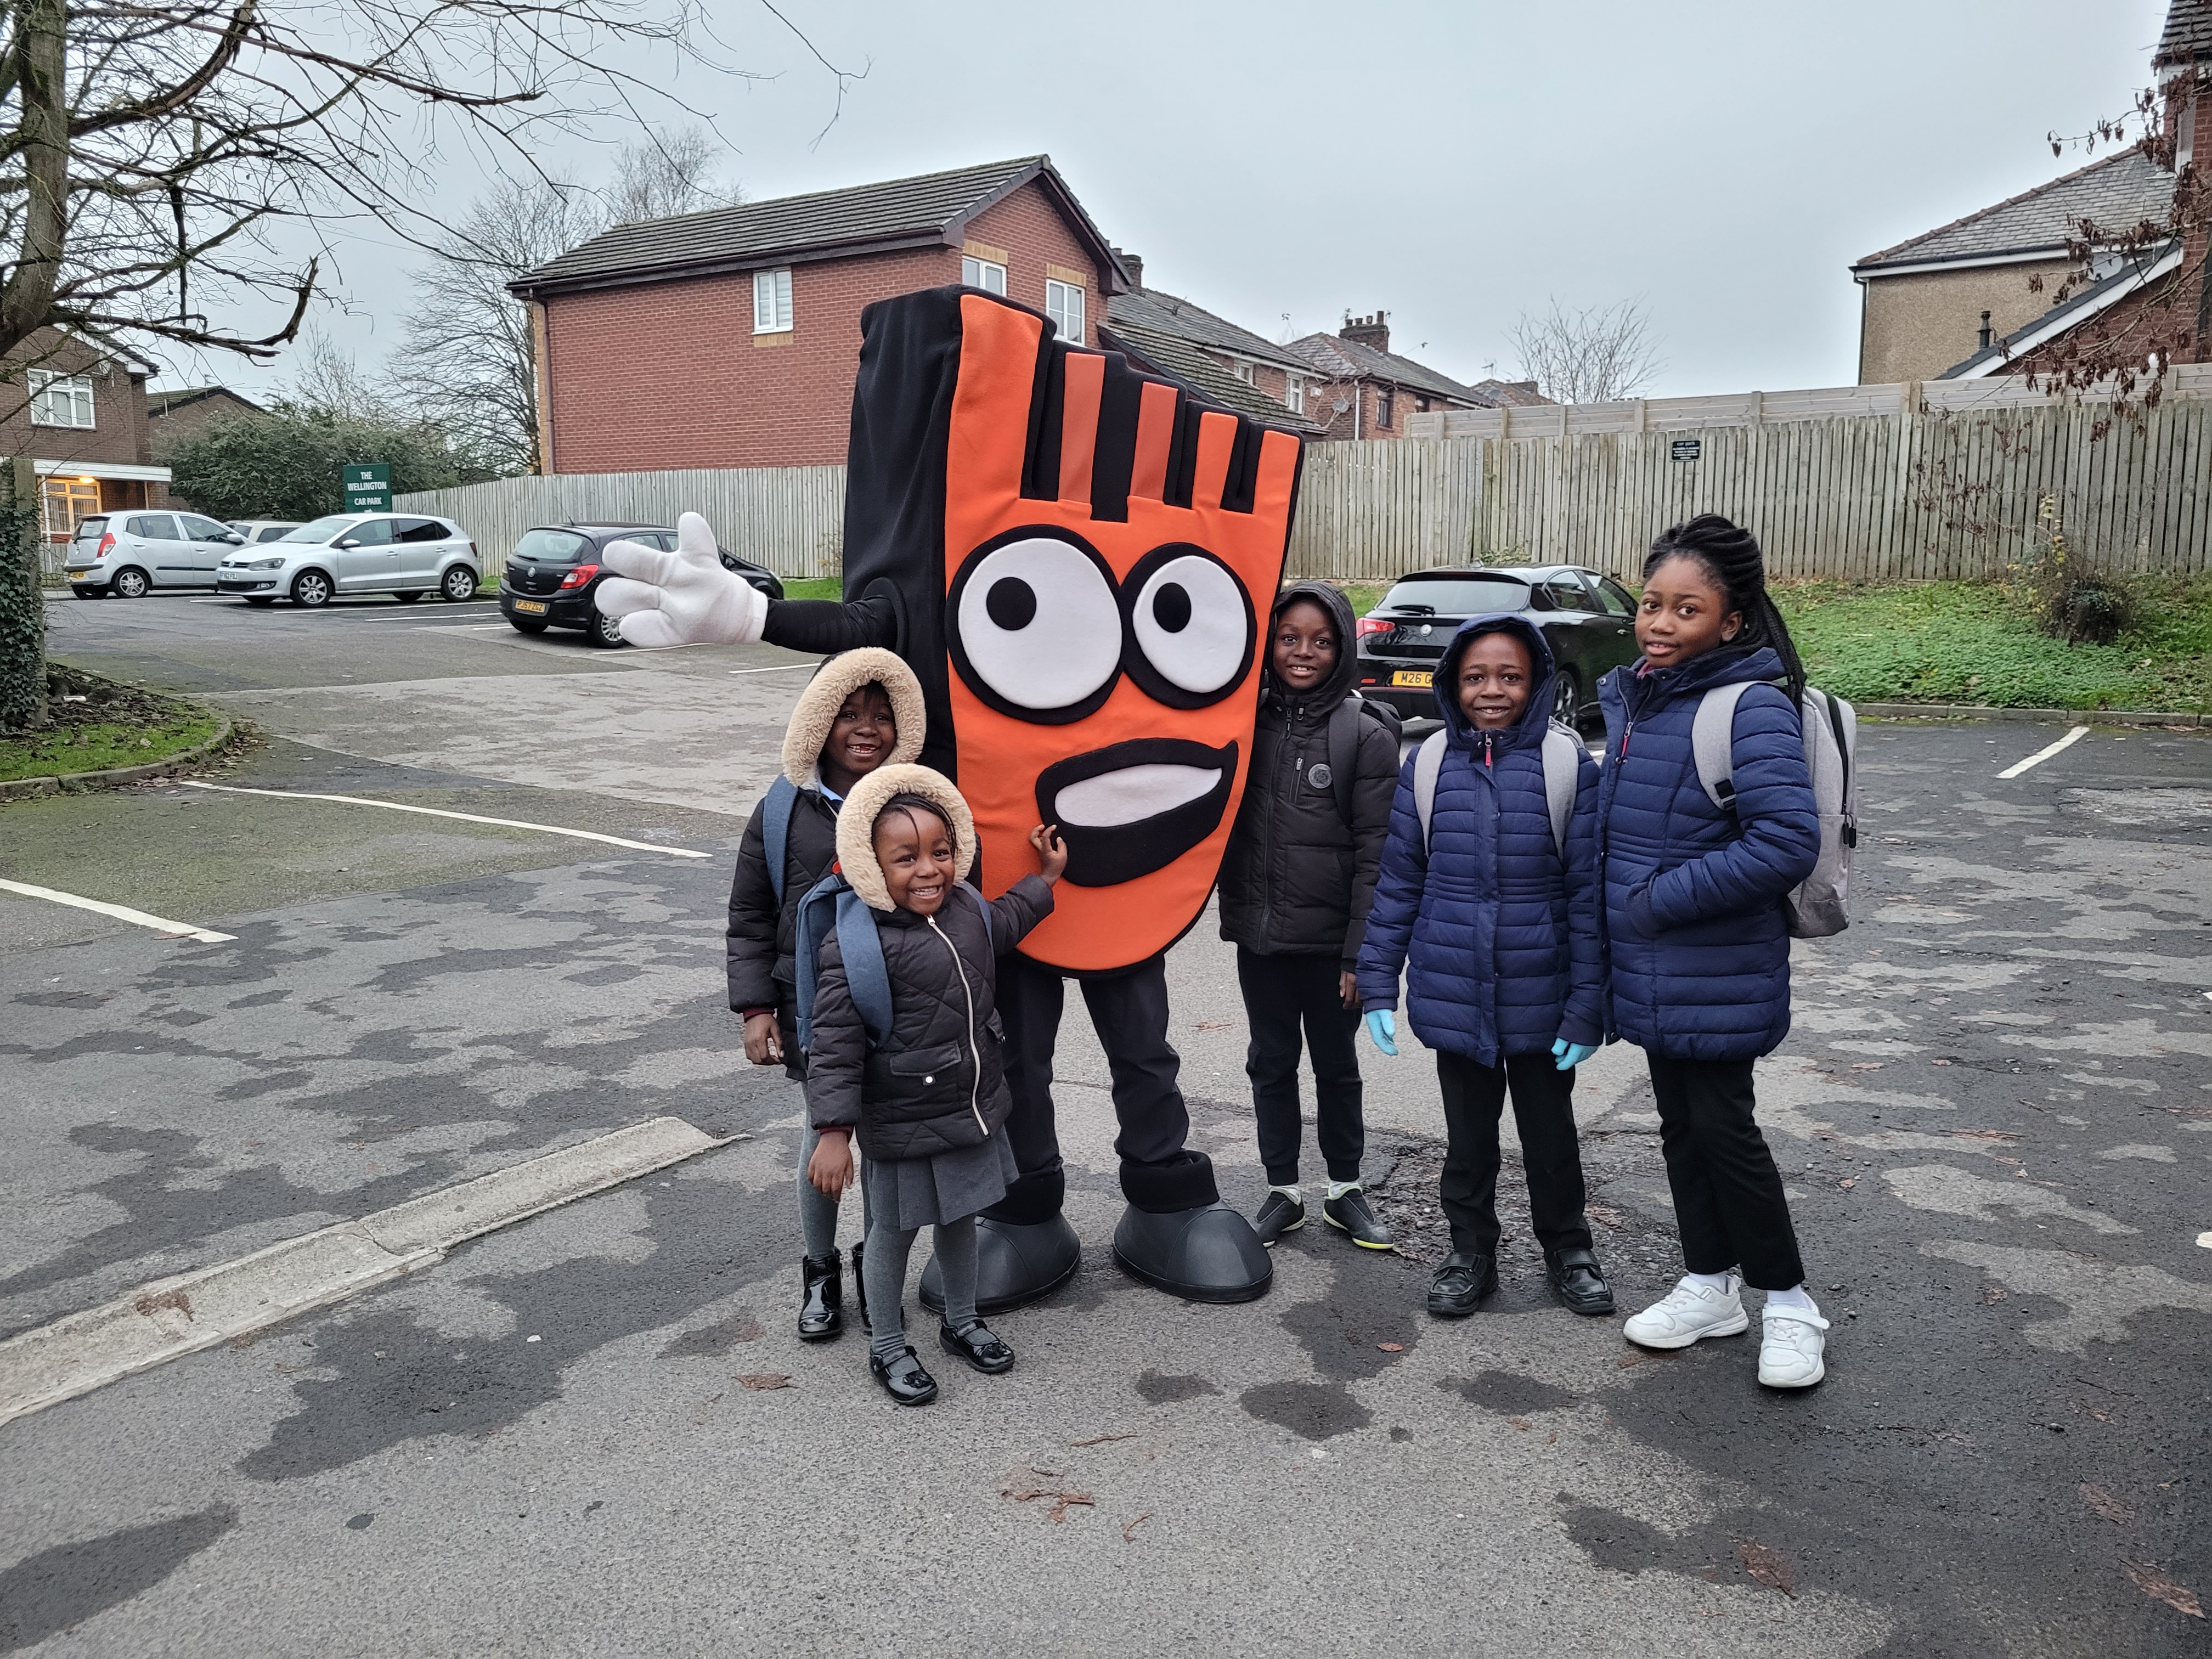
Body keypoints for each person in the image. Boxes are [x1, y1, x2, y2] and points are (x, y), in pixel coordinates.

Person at [599, 286, 1307, 1308]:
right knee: (1006, 1051)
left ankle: (1165, 1188)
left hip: (1125, 870)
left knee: (1143, 1047)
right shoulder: (822, 779)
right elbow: (873, 627)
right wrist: (756, 612)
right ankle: (1025, 1204)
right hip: (998, 882)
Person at [1598, 515, 1826, 1388]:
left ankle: (1791, 1303)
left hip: (1718, 970)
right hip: (1654, 972)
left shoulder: (1748, 705)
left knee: (1725, 1132)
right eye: (1651, 604)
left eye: (1685, 610)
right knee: (1682, 1131)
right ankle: (1710, 1284)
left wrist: (1656, 903)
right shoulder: (1639, 702)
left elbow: (1783, 843)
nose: (1659, 624)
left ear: (1730, 622)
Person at [1356, 614, 1613, 1319]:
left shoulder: (1566, 767)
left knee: (1551, 1140)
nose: (1491, 691)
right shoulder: (1432, 764)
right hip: (1455, 992)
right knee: (1468, 1146)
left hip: (1545, 996)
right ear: (1452, 684)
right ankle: (1470, 1252)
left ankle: (1570, 1250)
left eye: (1509, 677)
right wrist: (1379, 980)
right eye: (1475, 677)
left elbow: (1587, 897)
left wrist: (1589, 1003)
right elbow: (1400, 882)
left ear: (1535, 684)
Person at [802, 762, 1065, 1406]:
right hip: (900, 1118)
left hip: (970, 1108)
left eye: (941, 853)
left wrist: (1046, 880)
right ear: (871, 865)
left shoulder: (967, 909)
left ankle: (961, 1319)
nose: (929, 870)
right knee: (893, 1234)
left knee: (961, 1220)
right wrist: (833, 1134)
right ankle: (888, 1343)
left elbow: (1005, 923)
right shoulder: (856, 945)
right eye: (906, 858)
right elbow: (833, 1049)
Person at [725, 647, 923, 1341]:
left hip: (900, 1009)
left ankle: (878, 1273)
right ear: (816, 721)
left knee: (888, 1146)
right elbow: (751, 915)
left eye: (881, 715)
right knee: (826, 1136)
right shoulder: (783, 812)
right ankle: (820, 1269)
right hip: (813, 1008)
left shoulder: (915, 803)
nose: (866, 729)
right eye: (846, 713)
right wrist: (755, 1009)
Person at [1217, 583, 1399, 1250]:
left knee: (1336, 1066)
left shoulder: (1366, 736)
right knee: (1270, 1061)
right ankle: (1283, 1190)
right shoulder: (1242, 722)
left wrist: (1361, 957)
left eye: (1321, 641)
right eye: (1289, 637)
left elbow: (1377, 858)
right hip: (1260, 937)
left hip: (1332, 949)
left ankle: (1345, 1190)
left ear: (1343, 647)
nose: (1303, 652)